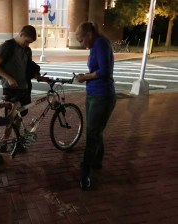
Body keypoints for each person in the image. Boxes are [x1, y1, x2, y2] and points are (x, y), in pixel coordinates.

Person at [0, 25, 48, 152]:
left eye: (30, 43)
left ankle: (16, 142)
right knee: (11, 117)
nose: (27, 44)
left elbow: (27, 68)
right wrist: (9, 78)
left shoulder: (27, 50)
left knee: (19, 115)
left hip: (24, 87)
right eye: (27, 41)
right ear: (21, 34)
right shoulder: (7, 47)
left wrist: (38, 76)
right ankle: (4, 142)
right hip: (11, 89)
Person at [75, 22, 117, 190]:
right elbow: (96, 70)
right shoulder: (94, 46)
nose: (81, 44)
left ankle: (85, 172)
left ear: (89, 34)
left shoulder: (100, 44)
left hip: (102, 95)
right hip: (93, 94)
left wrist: (85, 77)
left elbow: (105, 71)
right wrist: (85, 76)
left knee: (92, 133)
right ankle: (97, 162)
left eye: (81, 40)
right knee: (95, 131)